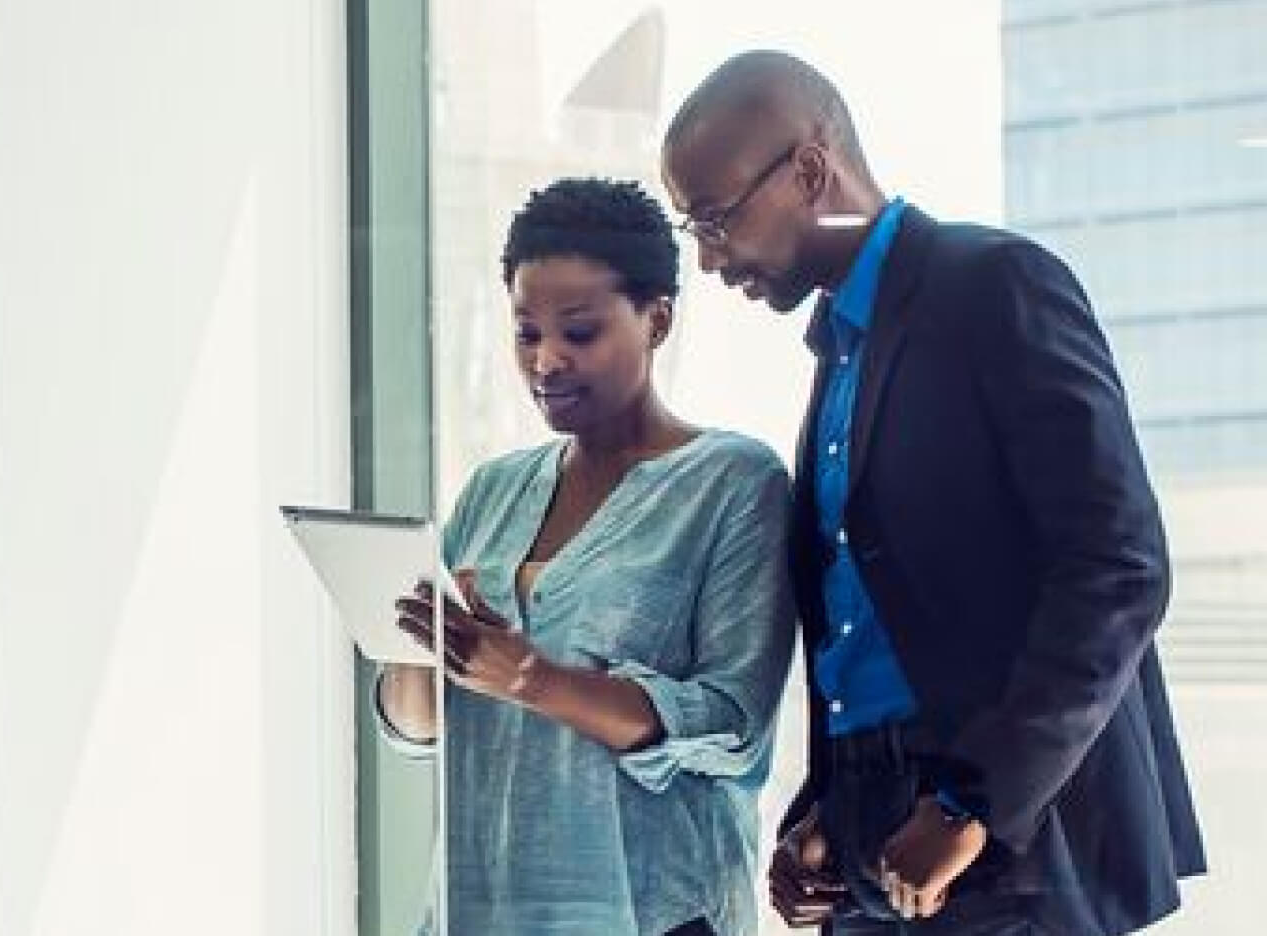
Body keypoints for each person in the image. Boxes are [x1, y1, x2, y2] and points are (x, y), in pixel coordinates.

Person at [658, 50, 1206, 934]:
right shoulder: (840, 350)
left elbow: (1118, 567)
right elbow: (866, 622)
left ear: (807, 168)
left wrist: (967, 805)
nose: (710, 259)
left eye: (715, 220)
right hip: (873, 840)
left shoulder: (994, 287)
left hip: (1010, 840)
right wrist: (824, 810)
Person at [378, 177, 795, 936]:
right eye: (526, 332)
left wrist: (533, 678)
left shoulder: (735, 481)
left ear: (657, 319)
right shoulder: (491, 493)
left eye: (579, 331)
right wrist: (422, 649)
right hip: (485, 907)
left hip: (657, 911)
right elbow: (415, 728)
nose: (546, 361)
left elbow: (732, 725)